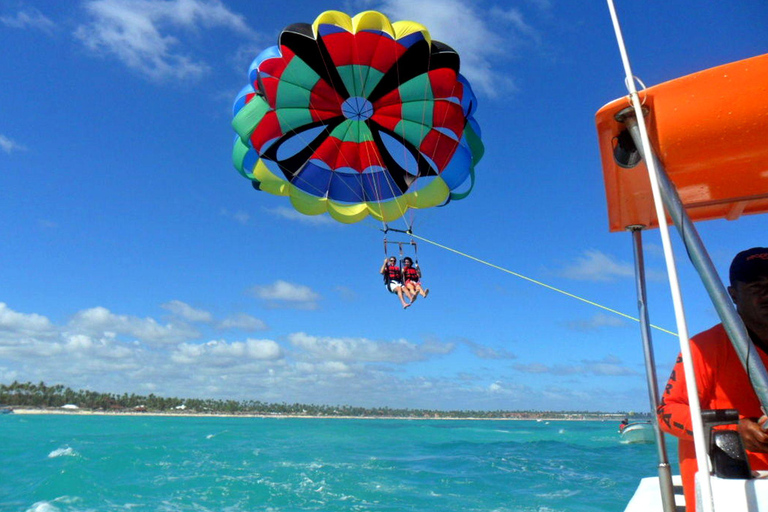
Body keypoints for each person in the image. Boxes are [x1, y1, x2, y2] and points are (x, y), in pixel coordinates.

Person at [657, 247, 768, 512]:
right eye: (755, 287)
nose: (767, 294)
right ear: (733, 295)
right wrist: (734, 429)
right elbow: (667, 412)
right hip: (727, 496)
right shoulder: (704, 348)